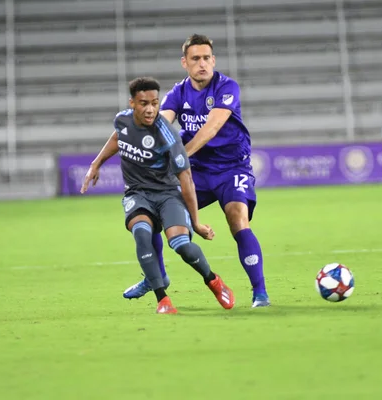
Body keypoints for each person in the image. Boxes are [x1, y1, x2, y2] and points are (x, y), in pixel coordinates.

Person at [83, 34, 269, 308]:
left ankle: (260, 292)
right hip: (197, 172)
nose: (202, 64)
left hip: (231, 167)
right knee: (156, 214)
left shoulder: (227, 87)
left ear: (213, 60)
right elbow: (158, 122)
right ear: (185, 63)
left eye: (207, 58)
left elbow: (212, 127)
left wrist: (180, 153)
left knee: (237, 218)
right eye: (196, 59)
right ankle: (155, 277)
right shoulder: (178, 93)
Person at [81, 77, 235, 314]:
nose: (151, 109)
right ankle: (162, 299)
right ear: (132, 103)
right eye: (144, 103)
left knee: (181, 245)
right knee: (142, 234)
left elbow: (186, 179)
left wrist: (196, 222)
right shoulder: (122, 120)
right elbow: (117, 137)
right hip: (137, 194)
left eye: (155, 102)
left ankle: (212, 280)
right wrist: (96, 163)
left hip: (167, 195)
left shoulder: (168, 136)